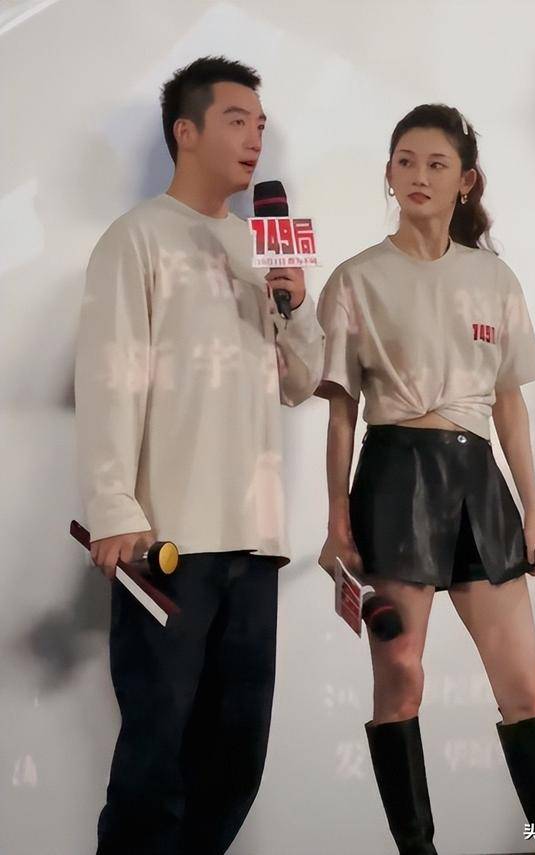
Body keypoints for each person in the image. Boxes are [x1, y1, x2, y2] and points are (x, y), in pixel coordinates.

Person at [74, 55, 325, 855]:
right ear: (185, 131)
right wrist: (113, 504)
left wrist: (295, 300)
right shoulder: (137, 238)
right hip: (168, 541)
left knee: (234, 757)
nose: (255, 138)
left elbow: (302, 381)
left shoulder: (259, 248)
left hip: (255, 540)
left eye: (261, 124)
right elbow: (109, 378)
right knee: (156, 759)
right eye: (236, 120)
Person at [316, 104, 535, 855]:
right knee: (401, 677)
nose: (418, 176)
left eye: (436, 164)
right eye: (405, 161)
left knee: (524, 689)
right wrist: (337, 520)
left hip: (478, 482)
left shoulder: (493, 278)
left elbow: (510, 404)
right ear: (388, 173)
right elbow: (341, 414)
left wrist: (533, 510)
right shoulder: (357, 278)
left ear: (466, 181)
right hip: (395, 478)